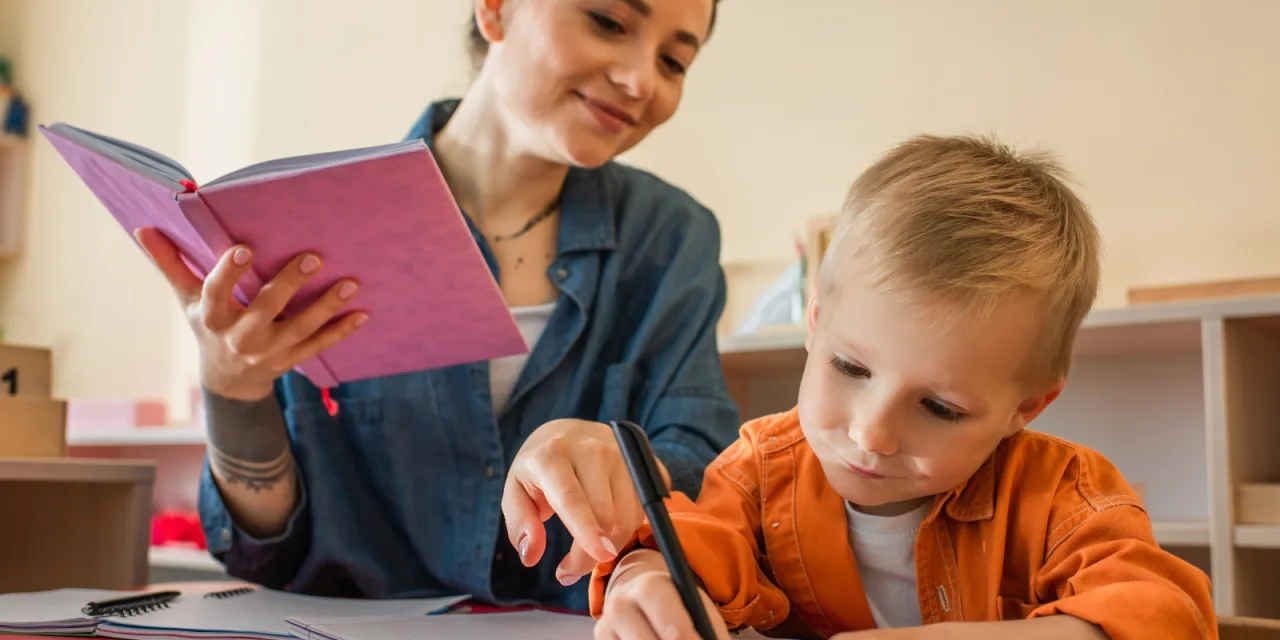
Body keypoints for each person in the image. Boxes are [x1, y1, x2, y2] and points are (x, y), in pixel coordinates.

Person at [134, 0, 738, 613]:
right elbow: (265, 549)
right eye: (608, 23)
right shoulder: (316, 223)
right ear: (495, 10)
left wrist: (626, 464)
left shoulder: (672, 239)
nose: (640, 81)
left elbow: (704, 461)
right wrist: (233, 391)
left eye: (673, 61)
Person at [589, 135, 1218, 639]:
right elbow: (691, 545)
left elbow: (1167, 614)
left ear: (1026, 407)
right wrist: (645, 579)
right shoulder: (759, 471)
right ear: (815, 324)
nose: (871, 434)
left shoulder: (1062, 497)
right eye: (851, 368)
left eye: (940, 407)